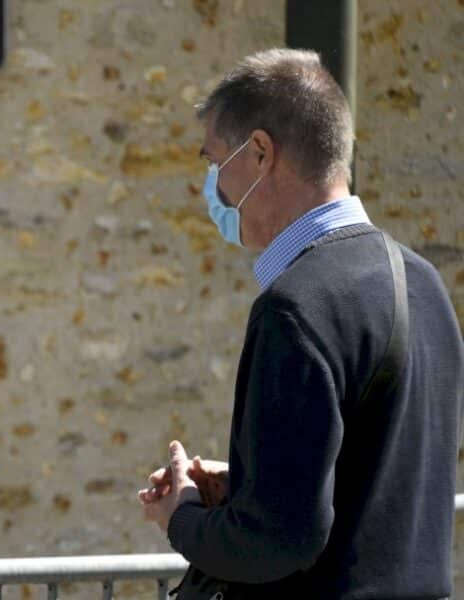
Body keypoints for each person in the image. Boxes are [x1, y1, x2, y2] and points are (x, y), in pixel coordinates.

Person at [137, 49, 463, 598]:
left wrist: (181, 517)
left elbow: (280, 540)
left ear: (260, 152)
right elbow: (378, 485)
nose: (212, 184)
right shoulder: (423, 281)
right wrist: (254, 483)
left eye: (215, 160)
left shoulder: (296, 306)